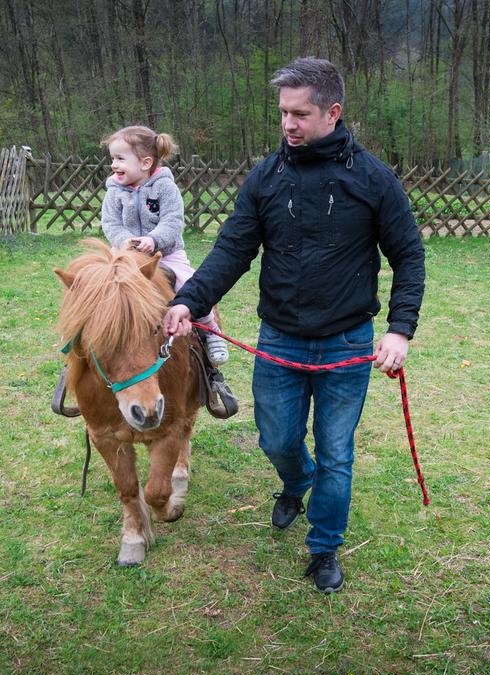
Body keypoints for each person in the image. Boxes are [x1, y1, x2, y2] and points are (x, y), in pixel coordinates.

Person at [164, 58, 425, 593]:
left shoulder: (374, 179)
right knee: (277, 439)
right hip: (280, 337)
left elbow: (409, 257)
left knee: (336, 452)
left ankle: (325, 546)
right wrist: (190, 300)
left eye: (299, 113)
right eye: (283, 112)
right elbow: (233, 249)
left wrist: (399, 329)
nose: (288, 124)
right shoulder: (266, 176)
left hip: (347, 342)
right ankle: (294, 481)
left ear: (333, 112)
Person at [101, 125, 229, 365]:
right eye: (112, 159)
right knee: (99, 290)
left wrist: (154, 239)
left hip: (166, 254)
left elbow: (172, 221)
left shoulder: (165, 187)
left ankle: (211, 331)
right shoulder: (114, 191)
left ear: (145, 162)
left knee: (188, 286)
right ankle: (85, 343)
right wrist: (122, 240)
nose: (113, 165)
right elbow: (110, 223)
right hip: (124, 257)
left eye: (120, 159)